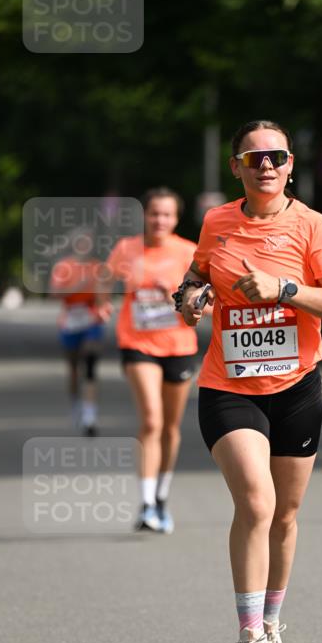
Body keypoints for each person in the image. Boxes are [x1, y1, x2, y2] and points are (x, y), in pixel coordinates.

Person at [175, 119, 322, 643]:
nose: (266, 166)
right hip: (229, 386)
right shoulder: (217, 222)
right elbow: (194, 278)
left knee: (284, 515)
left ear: (290, 165)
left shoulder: (313, 226)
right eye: (253, 158)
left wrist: (284, 290)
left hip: (297, 386)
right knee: (256, 502)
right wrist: (189, 298)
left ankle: (275, 626)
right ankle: (250, 640)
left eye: (276, 157)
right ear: (236, 167)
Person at [106, 188, 200, 533]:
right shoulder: (127, 249)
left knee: (170, 428)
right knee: (151, 421)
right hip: (137, 342)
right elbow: (106, 278)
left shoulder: (190, 252)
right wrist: (102, 302)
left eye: (167, 215)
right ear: (143, 216)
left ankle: (161, 497)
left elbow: (205, 301)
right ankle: (146, 505)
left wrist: (176, 293)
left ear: (176, 219)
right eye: (153, 214)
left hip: (179, 345)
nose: (159, 220)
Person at [50, 228, 110, 436]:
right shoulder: (64, 267)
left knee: (91, 364)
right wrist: (79, 286)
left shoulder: (98, 266)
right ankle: (76, 404)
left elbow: (104, 294)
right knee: (75, 369)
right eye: (80, 242)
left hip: (91, 319)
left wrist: (102, 303)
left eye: (88, 242)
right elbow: (54, 293)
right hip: (70, 321)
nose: (84, 245)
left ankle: (90, 415)